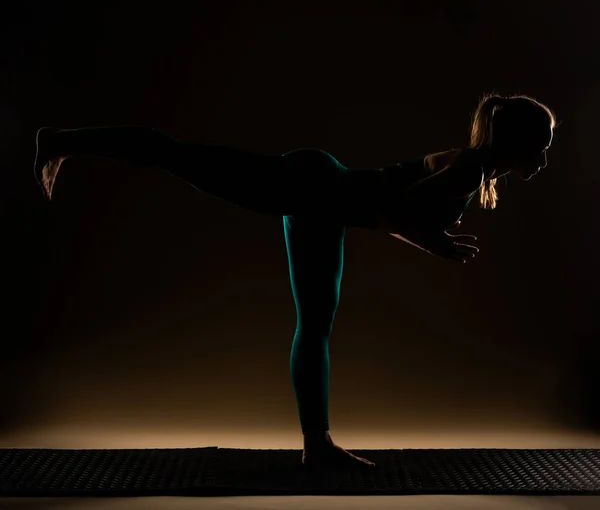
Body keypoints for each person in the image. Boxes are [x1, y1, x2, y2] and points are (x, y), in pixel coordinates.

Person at [33, 92, 556, 469]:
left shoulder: (470, 168)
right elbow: (389, 206)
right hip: (317, 188)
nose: (545, 157)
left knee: (314, 321)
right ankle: (60, 141)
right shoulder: (467, 170)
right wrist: (433, 242)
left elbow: (391, 207)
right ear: (520, 142)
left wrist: (429, 241)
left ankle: (318, 445)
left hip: (323, 195)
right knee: (182, 157)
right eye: (544, 146)